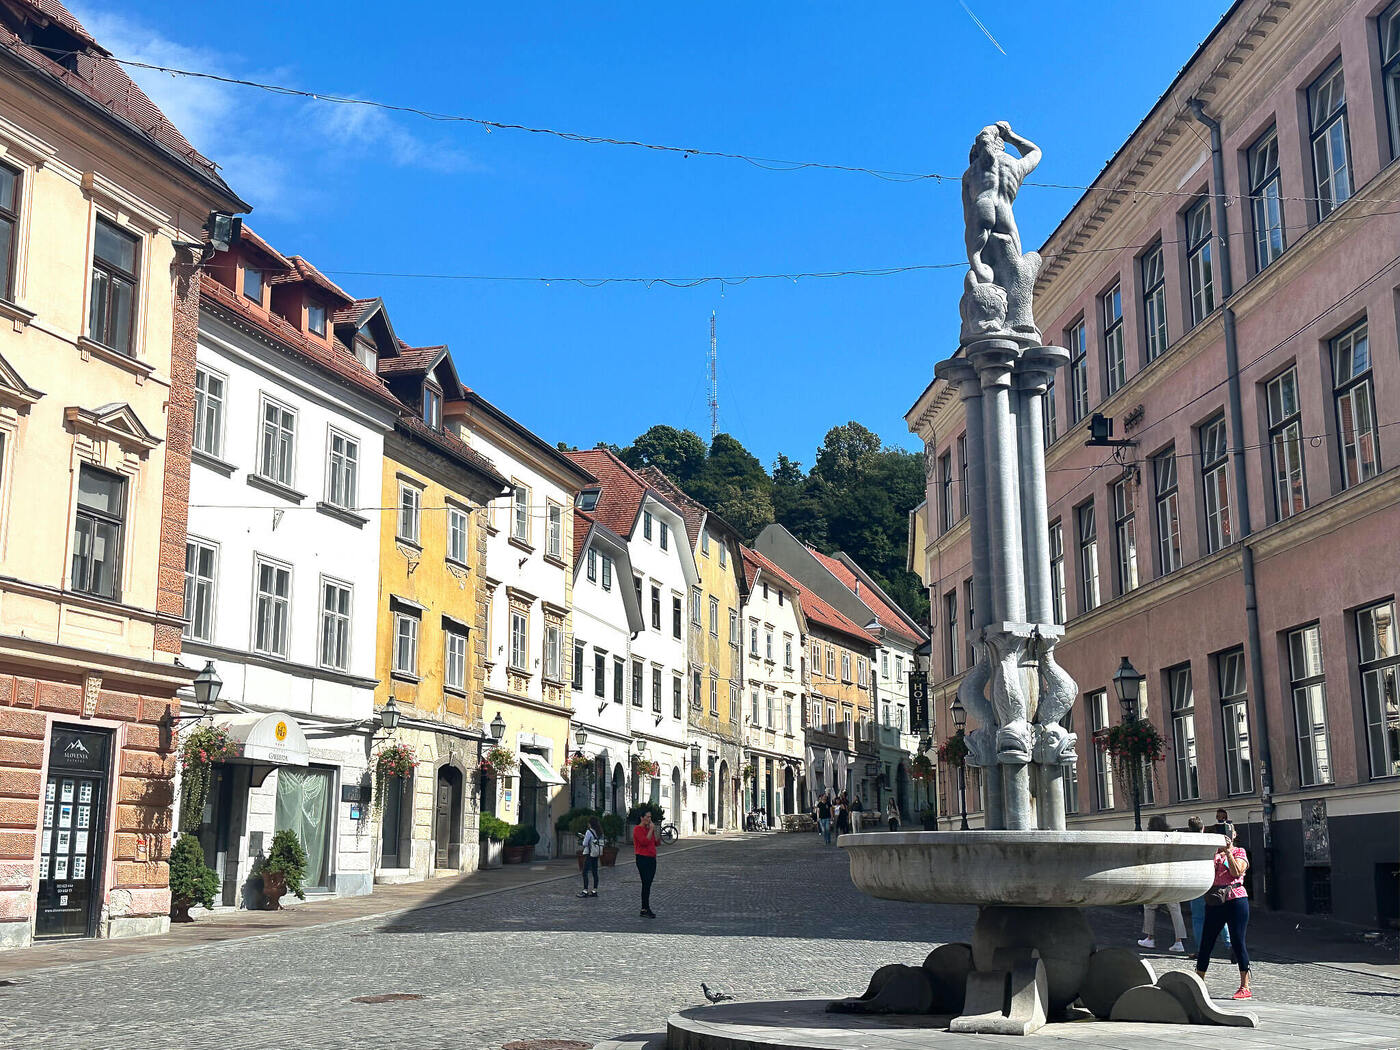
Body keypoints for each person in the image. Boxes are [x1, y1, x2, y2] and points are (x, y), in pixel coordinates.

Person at [1197, 822, 1252, 1000]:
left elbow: (1237, 873)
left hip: (1236, 900)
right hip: (1215, 900)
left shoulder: (1239, 852)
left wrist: (1228, 851)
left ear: (1234, 835)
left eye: (1229, 833)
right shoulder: (1212, 855)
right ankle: (1198, 981)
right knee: (1206, 941)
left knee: (1237, 941)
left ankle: (1245, 985)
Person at [1138, 815, 1187, 951]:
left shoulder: (1150, 839)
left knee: (1149, 907)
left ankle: (1150, 938)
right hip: (1170, 876)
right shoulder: (1171, 838)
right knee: (1175, 909)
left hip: (1155, 877)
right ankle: (1179, 941)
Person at [1186, 817, 1232, 954]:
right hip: (1211, 881)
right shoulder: (1211, 841)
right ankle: (1229, 944)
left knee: (1198, 918)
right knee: (1219, 915)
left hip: (1195, 884)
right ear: (1203, 828)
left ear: (1189, 829)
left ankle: (1202, 950)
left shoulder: (1187, 844)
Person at [633, 810, 660, 919]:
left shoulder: (649, 829)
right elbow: (644, 842)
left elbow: (656, 842)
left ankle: (645, 907)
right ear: (642, 818)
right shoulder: (637, 829)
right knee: (646, 882)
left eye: (650, 817)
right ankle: (644, 908)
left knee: (648, 883)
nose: (649, 819)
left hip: (652, 858)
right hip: (642, 858)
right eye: (647, 817)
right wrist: (651, 830)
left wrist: (654, 831)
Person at [578, 816, 603, 899]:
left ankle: (585, 891)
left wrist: (583, 838)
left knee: (585, 872)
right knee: (595, 872)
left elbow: (585, 843)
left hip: (589, 853)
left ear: (590, 824)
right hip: (596, 853)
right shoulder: (600, 832)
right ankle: (594, 890)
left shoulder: (589, 832)